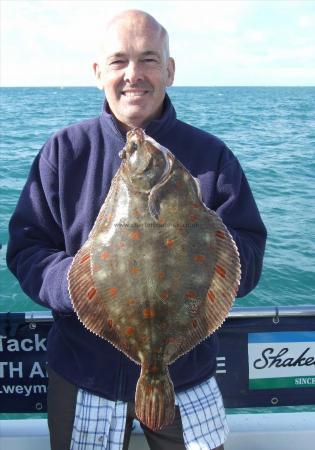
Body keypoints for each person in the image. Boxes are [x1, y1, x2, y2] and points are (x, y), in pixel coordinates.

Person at [6, 9, 267, 450]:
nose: (133, 74)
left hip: (187, 375)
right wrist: (80, 287)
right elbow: (26, 250)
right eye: (118, 61)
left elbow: (252, 259)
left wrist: (204, 238)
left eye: (148, 59)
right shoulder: (63, 150)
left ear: (169, 70)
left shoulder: (212, 156)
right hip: (84, 372)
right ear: (97, 73)